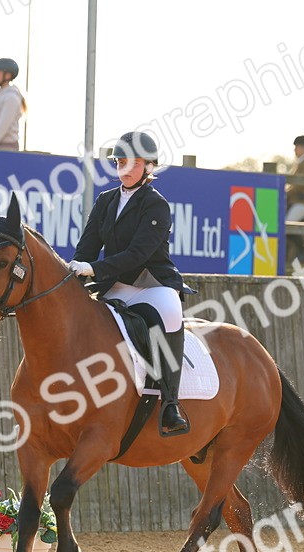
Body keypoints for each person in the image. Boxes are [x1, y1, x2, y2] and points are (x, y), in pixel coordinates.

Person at [68, 131, 196, 437]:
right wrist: (74, 272)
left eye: (132, 163)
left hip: (152, 284)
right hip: (115, 284)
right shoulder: (105, 200)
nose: (124, 169)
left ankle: (170, 404)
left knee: (169, 313)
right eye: (120, 161)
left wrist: (93, 268)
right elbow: (86, 247)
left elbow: (137, 254)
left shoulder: (156, 205)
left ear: (149, 166)